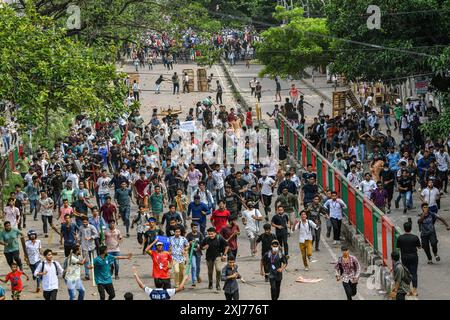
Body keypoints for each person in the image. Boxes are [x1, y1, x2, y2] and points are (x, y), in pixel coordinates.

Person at [396, 219, 420, 296]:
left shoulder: (400, 238)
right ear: (411, 228)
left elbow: (398, 248)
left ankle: (408, 290)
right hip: (413, 257)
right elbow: (419, 247)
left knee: (406, 274)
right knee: (414, 273)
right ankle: (415, 290)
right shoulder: (415, 237)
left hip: (404, 257)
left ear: (404, 228)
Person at [79, 216, 98, 280]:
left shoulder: (91, 227)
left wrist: (91, 237)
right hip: (84, 247)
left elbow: (96, 234)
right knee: (86, 261)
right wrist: (78, 240)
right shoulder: (81, 227)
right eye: (83, 222)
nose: (84, 223)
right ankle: (87, 274)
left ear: (88, 221)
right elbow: (79, 235)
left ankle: (96, 273)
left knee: (93, 261)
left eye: (86, 222)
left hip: (91, 246)